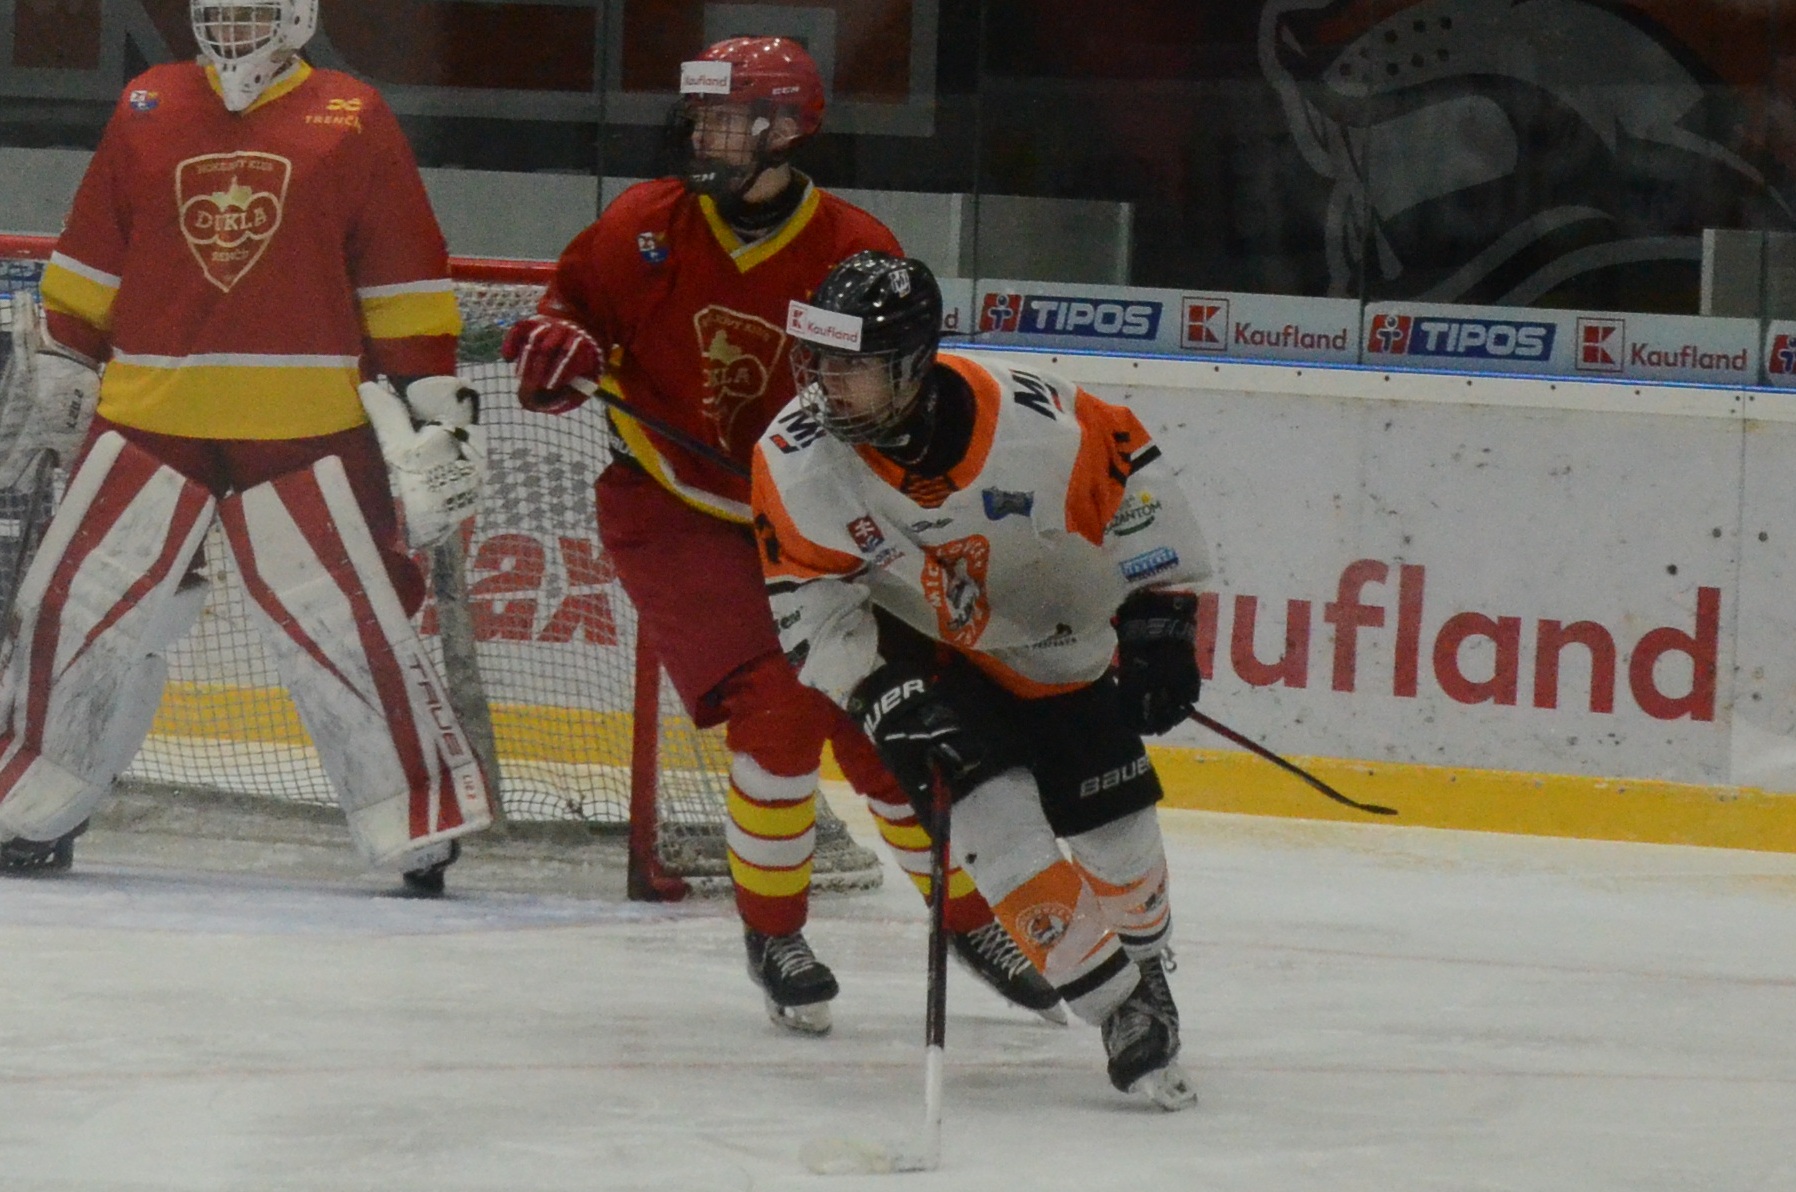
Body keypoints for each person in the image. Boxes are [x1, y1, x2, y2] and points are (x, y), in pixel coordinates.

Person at [501, 36, 1059, 1033]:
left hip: (812, 514)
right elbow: (571, 312)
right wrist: (560, 349)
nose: (701, 135)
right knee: (781, 702)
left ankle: (971, 920)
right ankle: (774, 933)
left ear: (787, 130)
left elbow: (897, 396)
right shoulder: (643, 226)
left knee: (890, 726)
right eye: (700, 116)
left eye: (725, 119)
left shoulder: (852, 248)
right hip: (675, 507)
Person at [0, 0, 492, 893]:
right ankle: (34, 807)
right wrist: (67, 357)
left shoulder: (351, 114)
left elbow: (400, 266)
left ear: (296, 14)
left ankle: (416, 820)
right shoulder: (148, 103)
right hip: (149, 409)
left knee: (346, 621)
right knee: (78, 606)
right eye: (218, 9)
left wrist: (433, 404)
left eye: (251, 10)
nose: (231, 27)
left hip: (307, 421)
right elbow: (97, 246)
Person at [750, 250, 1206, 1108]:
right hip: (935, 660)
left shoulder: (1038, 423)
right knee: (996, 835)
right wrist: (878, 691)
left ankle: (1147, 966)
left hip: (1057, 648)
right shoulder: (793, 458)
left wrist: (1162, 614)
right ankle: (1118, 1010)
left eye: (853, 367)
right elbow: (811, 605)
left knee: (1120, 839)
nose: (827, 386)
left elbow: (1135, 473)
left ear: (913, 365)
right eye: (820, 362)